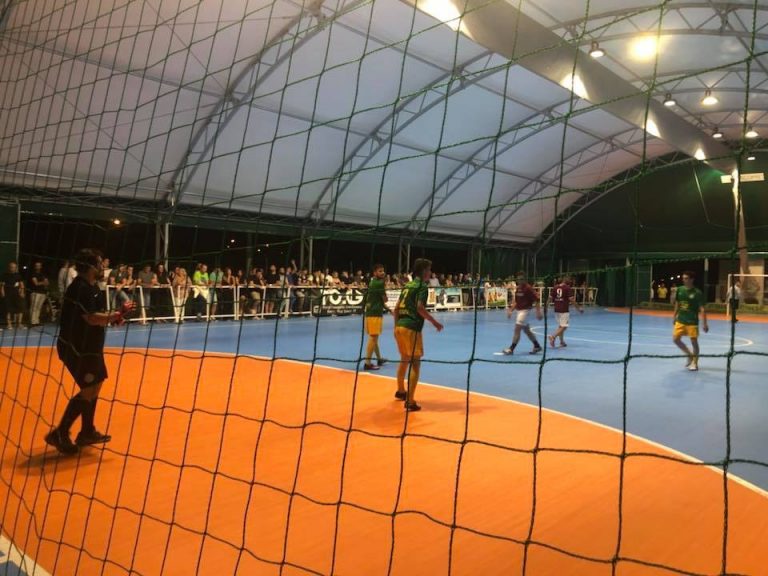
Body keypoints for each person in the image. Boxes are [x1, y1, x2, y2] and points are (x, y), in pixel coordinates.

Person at [45, 249, 135, 454]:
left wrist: (116, 318)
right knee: (89, 388)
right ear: (90, 267)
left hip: (90, 347)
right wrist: (118, 314)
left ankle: (87, 431)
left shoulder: (93, 287)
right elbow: (91, 318)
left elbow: (99, 316)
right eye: (99, 264)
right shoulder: (80, 289)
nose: (103, 267)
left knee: (95, 385)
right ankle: (60, 433)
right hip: (76, 347)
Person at [393, 258, 443, 411]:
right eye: (429, 270)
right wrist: (434, 322)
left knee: (404, 359)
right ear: (424, 271)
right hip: (412, 328)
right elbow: (420, 308)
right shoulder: (422, 286)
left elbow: (396, 309)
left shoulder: (407, 285)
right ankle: (410, 401)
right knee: (415, 363)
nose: (430, 272)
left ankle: (401, 391)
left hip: (400, 327)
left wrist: (396, 327)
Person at [672, 271, 708, 371]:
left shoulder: (697, 293)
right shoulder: (679, 290)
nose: (684, 280)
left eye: (686, 278)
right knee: (675, 339)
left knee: (694, 342)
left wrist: (705, 323)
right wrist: (674, 316)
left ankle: (695, 363)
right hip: (681, 320)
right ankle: (689, 355)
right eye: (683, 278)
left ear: (692, 279)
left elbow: (702, 309)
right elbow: (677, 304)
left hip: (692, 321)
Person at [503, 274, 543, 355]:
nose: (519, 281)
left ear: (525, 279)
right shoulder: (518, 288)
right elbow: (516, 302)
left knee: (517, 329)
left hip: (525, 311)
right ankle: (537, 346)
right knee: (527, 330)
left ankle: (511, 349)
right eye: (518, 279)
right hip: (519, 311)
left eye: (521, 279)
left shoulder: (528, 288)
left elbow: (537, 299)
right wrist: (510, 310)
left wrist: (538, 312)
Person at [363, 264, 389, 371]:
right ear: (374, 273)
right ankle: (367, 363)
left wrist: (388, 309)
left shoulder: (372, 282)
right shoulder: (379, 283)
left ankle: (379, 359)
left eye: (383, 271)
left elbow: (377, 299)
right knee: (373, 338)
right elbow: (385, 299)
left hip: (370, 312)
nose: (382, 273)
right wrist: (385, 286)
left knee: (374, 338)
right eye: (380, 271)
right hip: (375, 313)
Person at [548, 276, 582, 348]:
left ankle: (561, 342)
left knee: (561, 326)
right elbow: (572, 300)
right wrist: (578, 309)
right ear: (566, 280)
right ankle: (553, 336)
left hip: (556, 309)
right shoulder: (567, 288)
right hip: (564, 309)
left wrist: (546, 306)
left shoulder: (555, 287)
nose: (570, 281)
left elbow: (550, 297)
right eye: (569, 280)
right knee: (564, 327)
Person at [1, 262, 25, 329]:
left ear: (16, 268)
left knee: (20, 309)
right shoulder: (5, 275)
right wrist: (2, 292)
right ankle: (9, 325)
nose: (12, 268)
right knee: (8, 309)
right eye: (11, 267)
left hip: (17, 294)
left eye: (14, 267)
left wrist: (22, 292)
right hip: (8, 294)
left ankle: (19, 324)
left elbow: (22, 284)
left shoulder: (18, 275)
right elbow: (2, 285)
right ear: (9, 267)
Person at [28, 261, 50, 327]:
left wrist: (44, 283)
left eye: (39, 265)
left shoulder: (43, 274)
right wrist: (43, 282)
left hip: (42, 292)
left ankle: (36, 321)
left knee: (39, 307)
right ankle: (32, 322)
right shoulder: (33, 274)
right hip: (35, 292)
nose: (38, 267)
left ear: (41, 266)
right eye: (36, 265)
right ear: (35, 267)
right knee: (34, 307)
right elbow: (36, 283)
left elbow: (47, 283)